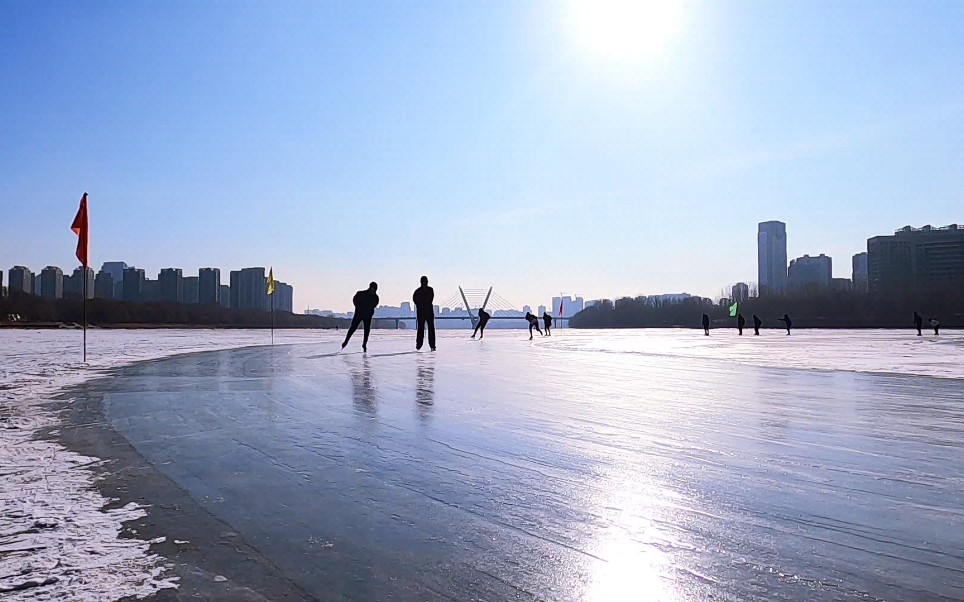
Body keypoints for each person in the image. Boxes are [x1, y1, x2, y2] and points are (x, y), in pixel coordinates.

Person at [342, 282, 379, 352]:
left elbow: (374, 305)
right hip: (359, 314)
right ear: (370, 287)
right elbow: (355, 300)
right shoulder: (360, 293)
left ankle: (364, 344)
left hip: (367, 315)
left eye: (375, 289)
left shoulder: (375, 297)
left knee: (367, 330)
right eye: (373, 288)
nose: (373, 290)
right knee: (352, 328)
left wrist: (367, 309)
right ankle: (346, 341)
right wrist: (359, 307)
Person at [413, 276, 436, 351]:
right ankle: (431, 345)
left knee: (421, 329)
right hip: (427, 311)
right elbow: (430, 299)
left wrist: (420, 305)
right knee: (428, 329)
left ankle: (419, 345)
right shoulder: (430, 290)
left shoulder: (417, 291)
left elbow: (415, 300)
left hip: (422, 312)